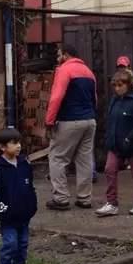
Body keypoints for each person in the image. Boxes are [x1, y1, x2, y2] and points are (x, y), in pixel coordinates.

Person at [45, 43, 97, 211]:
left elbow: (56, 97)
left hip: (69, 120)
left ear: (66, 55)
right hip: (89, 121)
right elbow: (95, 98)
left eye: (59, 55)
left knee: (57, 157)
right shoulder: (89, 72)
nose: (58, 58)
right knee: (84, 160)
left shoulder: (64, 70)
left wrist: (49, 121)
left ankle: (60, 198)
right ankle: (84, 198)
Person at [0, 128, 37, 264]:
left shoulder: (24, 163)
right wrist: (3, 209)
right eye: (14, 143)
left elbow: (30, 185)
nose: (19, 146)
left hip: (25, 215)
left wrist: (32, 204)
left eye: (19, 142)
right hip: (8, 217)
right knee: (10, 244)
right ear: (2, 147)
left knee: (22, 244)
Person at [96, 70, 133, 217]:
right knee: (109, 170)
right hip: (115, 144)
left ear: (128, 84)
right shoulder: (115, 99)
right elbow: (111, 119)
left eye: (121, 85)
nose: (118, 88)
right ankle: (112, 203)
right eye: (115, 86)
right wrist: (108, 138)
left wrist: (130, 137)